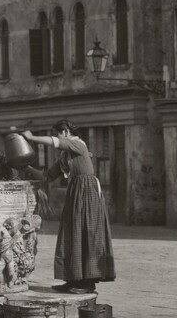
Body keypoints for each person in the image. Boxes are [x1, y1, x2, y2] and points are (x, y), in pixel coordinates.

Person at [22, 120, 115, 294]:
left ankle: (88, 282)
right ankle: (73, 279)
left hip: (87, 191)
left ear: (65, 132)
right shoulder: (65, 156)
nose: (57, 137)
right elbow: (48, 176)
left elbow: (55, 142)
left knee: (87, 232)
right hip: (76, 192)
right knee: (72, 232)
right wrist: (27, 167)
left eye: (57, 133)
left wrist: (32, 137)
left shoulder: (78, 144)